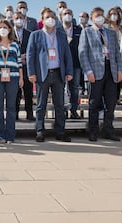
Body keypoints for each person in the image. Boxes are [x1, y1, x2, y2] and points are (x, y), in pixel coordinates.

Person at [27, 7, 73, 142]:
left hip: (58, 73)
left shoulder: (61, 35)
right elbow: (30, 56)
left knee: (59, 105)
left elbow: (67, 55)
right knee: (41, 105)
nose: (50, 19)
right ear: (42, 19)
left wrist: (69, 71)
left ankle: (60, 131)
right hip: (43, 74)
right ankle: (40, 131)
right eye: (47, 17)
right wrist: (31, 73)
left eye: (53, 17)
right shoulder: (35, 35)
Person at [78, 7, 122, 142]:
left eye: (102, 15)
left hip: (111, 70)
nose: (100, 18)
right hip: (95, 71)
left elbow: (117, 53)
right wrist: (88, 72)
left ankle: (108, 130)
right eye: (97, 15)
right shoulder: (87, 32)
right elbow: (82, 53)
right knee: (94, 103)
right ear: (91, 18)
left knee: (110, 103)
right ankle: (93, 131)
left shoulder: (111, 32)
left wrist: (119, 70)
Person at [0, 20, 23, 143]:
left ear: (10, 29)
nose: (3, 29)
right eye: (0, 27)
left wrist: (21, 78)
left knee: (11, 107)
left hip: (13, 77)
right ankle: (0, 136)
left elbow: (19, 63)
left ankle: (10, 136)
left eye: (5, 27)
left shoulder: (15, 45)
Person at [61, 8, 82, 119]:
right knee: (61, 88)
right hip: (60, 63)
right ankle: (62, 111)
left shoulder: (79, 29)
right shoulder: (57, 29)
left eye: (69, 13)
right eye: (65, 14)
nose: (67, 15)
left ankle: (74, 110)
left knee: (74, 88)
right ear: (61, 16)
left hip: (75, 63)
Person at [13, 11, 33, 121]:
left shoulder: (29, 33)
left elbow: (32, 49)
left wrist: (26, 56)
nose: (19, 20)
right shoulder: (9, 34)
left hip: (26, 66)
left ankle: (29, 112)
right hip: (14, 67)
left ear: (24, 19)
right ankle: (15, 113)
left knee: (28, 91)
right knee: (15, 92)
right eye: (16, 18)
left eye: (21, 18)